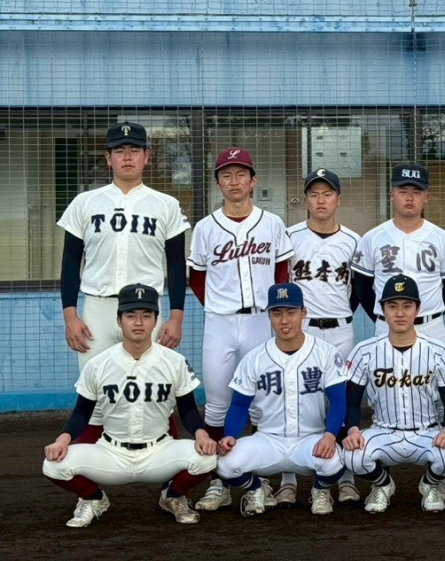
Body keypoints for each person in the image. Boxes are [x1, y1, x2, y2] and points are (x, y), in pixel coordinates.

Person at [42, 284, 216, 527]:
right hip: (111, 453)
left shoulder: (174, 362)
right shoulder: (99, 364)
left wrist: (200, 434)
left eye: (146, 315)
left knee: (208, 458)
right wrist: (62, 439)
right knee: (52, 465)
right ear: (119, 320)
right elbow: (82, 412)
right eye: (131, 315)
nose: (138, 322)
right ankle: (94, 499)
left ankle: (173, 496)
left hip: (158, 452)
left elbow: (187, 410)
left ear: (155, 320)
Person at [58, 122, 189, 438]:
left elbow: (175, 265)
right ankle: (90, 479)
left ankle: (168, 477)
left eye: (134, 150)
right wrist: (70, 315)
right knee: (95, 392)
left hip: (148, 310)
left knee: (158, 388)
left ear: (147, 155)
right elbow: (71, 262)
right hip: (98, 309)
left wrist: (176, 317)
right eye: (119, 150)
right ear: (108, 158)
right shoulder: (86, 202)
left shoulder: (165, 205)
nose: (127, 156)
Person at [187, 147, 294, 510]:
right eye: (226, 175)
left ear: (253, 181)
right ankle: (219, 480)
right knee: (217, 404)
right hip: (220, 323)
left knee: (263, 402)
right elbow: (197, 278)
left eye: (240, 174)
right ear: (218, 183)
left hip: (259, 322)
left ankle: (259, 478)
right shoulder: (205, 228)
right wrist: (219, 307)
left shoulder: (272, 223)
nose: (234, 181)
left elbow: (282, 273)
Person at [203, 283, 347, 517]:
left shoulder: (325, 353)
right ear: (269, 316)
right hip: (268, 440)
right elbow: (239, 404)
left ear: (304, 313)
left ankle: (320, 491)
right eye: (277, 313)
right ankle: (258, 489)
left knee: (336, 462)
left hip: (309, 440)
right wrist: (229, 435)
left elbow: (338, 401)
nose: (284, 320)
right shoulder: (255, 358)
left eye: (291, 312)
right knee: (225, 464)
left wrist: (330, 436)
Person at [340, 275, 445, 514]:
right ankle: (383, 485)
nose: (400, 313)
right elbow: (352, 401)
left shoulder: (437, 350)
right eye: (392, 306)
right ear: (382, 310)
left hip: (426, 431)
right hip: (383, 431)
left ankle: (430, 485)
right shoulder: (365, 351)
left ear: (417, 309)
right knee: (351, 455)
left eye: (407, 306)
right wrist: (353, 429)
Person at [282, 167, 362, 506]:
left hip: (341, 330)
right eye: (314, 194)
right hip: (303, 332)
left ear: (338, 199)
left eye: (327, 193)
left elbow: (359, 290)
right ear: (306, 201)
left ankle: (345, 477)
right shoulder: (289, 237)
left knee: (338, 403)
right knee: (294, 402)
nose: (320, 199)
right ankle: (287, 478)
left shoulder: (354, 241)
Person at [353, 163, 445, 345]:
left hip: (430, 326)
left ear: (426, 197)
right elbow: (362, 287)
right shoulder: (372, 238)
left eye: (417, 192)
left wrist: (431, 311)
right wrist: (385, 316)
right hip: (385, 328)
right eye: (403, 191)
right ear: (391, 195)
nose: (409, 197)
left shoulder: (441, 238)